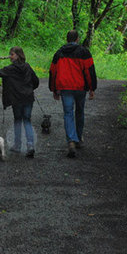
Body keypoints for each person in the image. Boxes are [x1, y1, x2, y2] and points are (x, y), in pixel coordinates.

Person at [49, 30, 97, 158]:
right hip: (80, 88)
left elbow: (53, 71)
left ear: (67, 39)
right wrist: (92, 88)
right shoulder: (84, 52)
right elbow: (89, 70)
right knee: (79, 111)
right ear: (77, 39)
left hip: (65, 87)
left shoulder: (59, 53)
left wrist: (54, 89)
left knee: (68, 113)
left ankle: (71, 140)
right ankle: (78, 139)